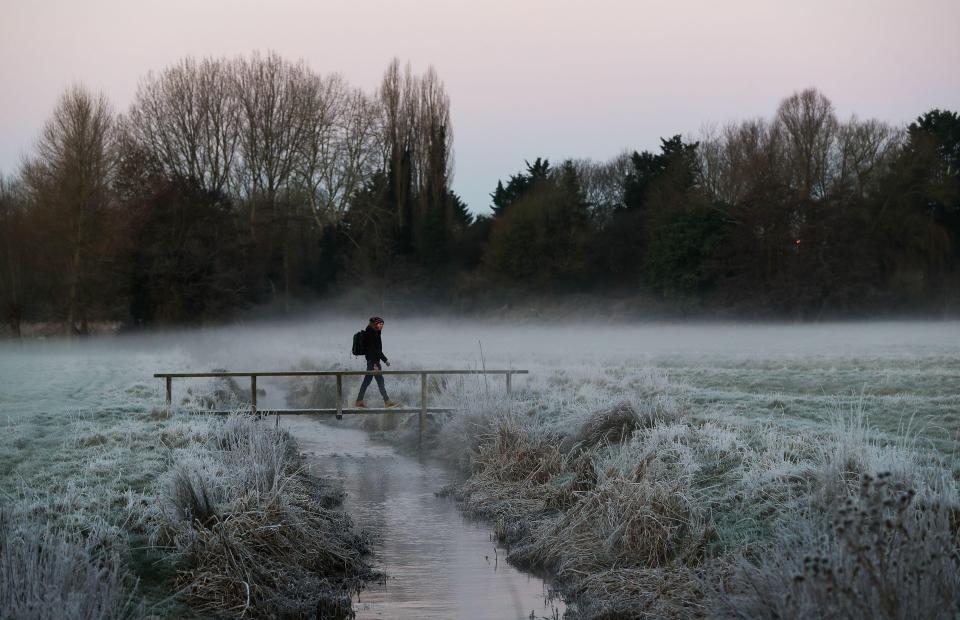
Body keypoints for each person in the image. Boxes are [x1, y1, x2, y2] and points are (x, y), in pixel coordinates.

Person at [356, 316, 399, 408]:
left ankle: (360, 401)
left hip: (373, 361)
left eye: (382, 324)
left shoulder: (375, 332)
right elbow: (372, 350)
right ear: (374, 324)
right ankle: (386, 402)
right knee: (377, 382)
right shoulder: (371, 334)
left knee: (370, 382)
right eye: (379, 324)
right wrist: (376, 364)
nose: (381, 326)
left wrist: (385, 360)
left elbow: (378, 350)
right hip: (373, 362)